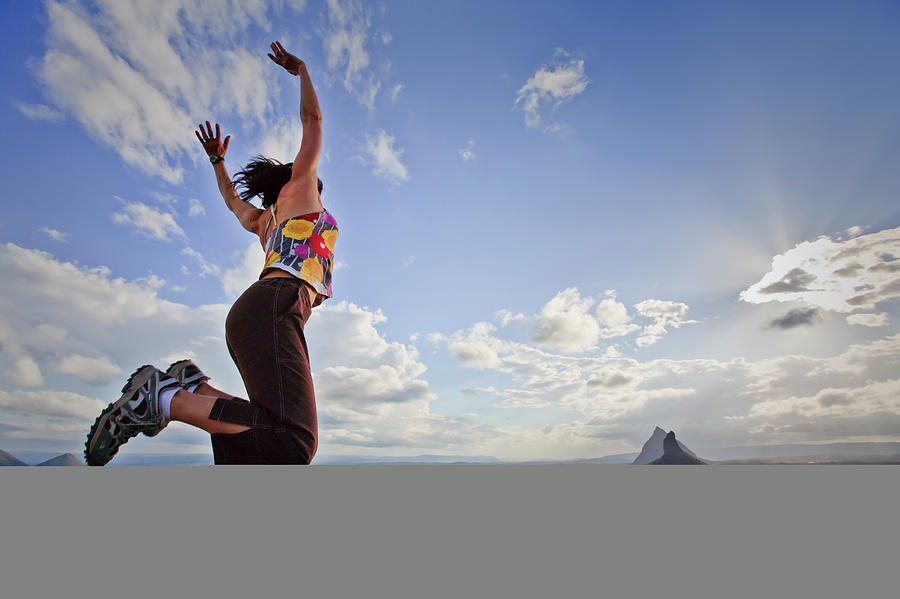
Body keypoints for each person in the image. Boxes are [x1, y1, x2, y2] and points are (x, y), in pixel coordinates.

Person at [85, 41, 336, 465]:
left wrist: (218, 161)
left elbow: (232, 201)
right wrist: (304, 71)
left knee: (268, 429)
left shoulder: (264, 222)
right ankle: (163, 400)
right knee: (295, 441)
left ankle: (193, 387)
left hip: (257, 313)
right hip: (276, 305)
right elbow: (312, 119)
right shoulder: (302, 191)